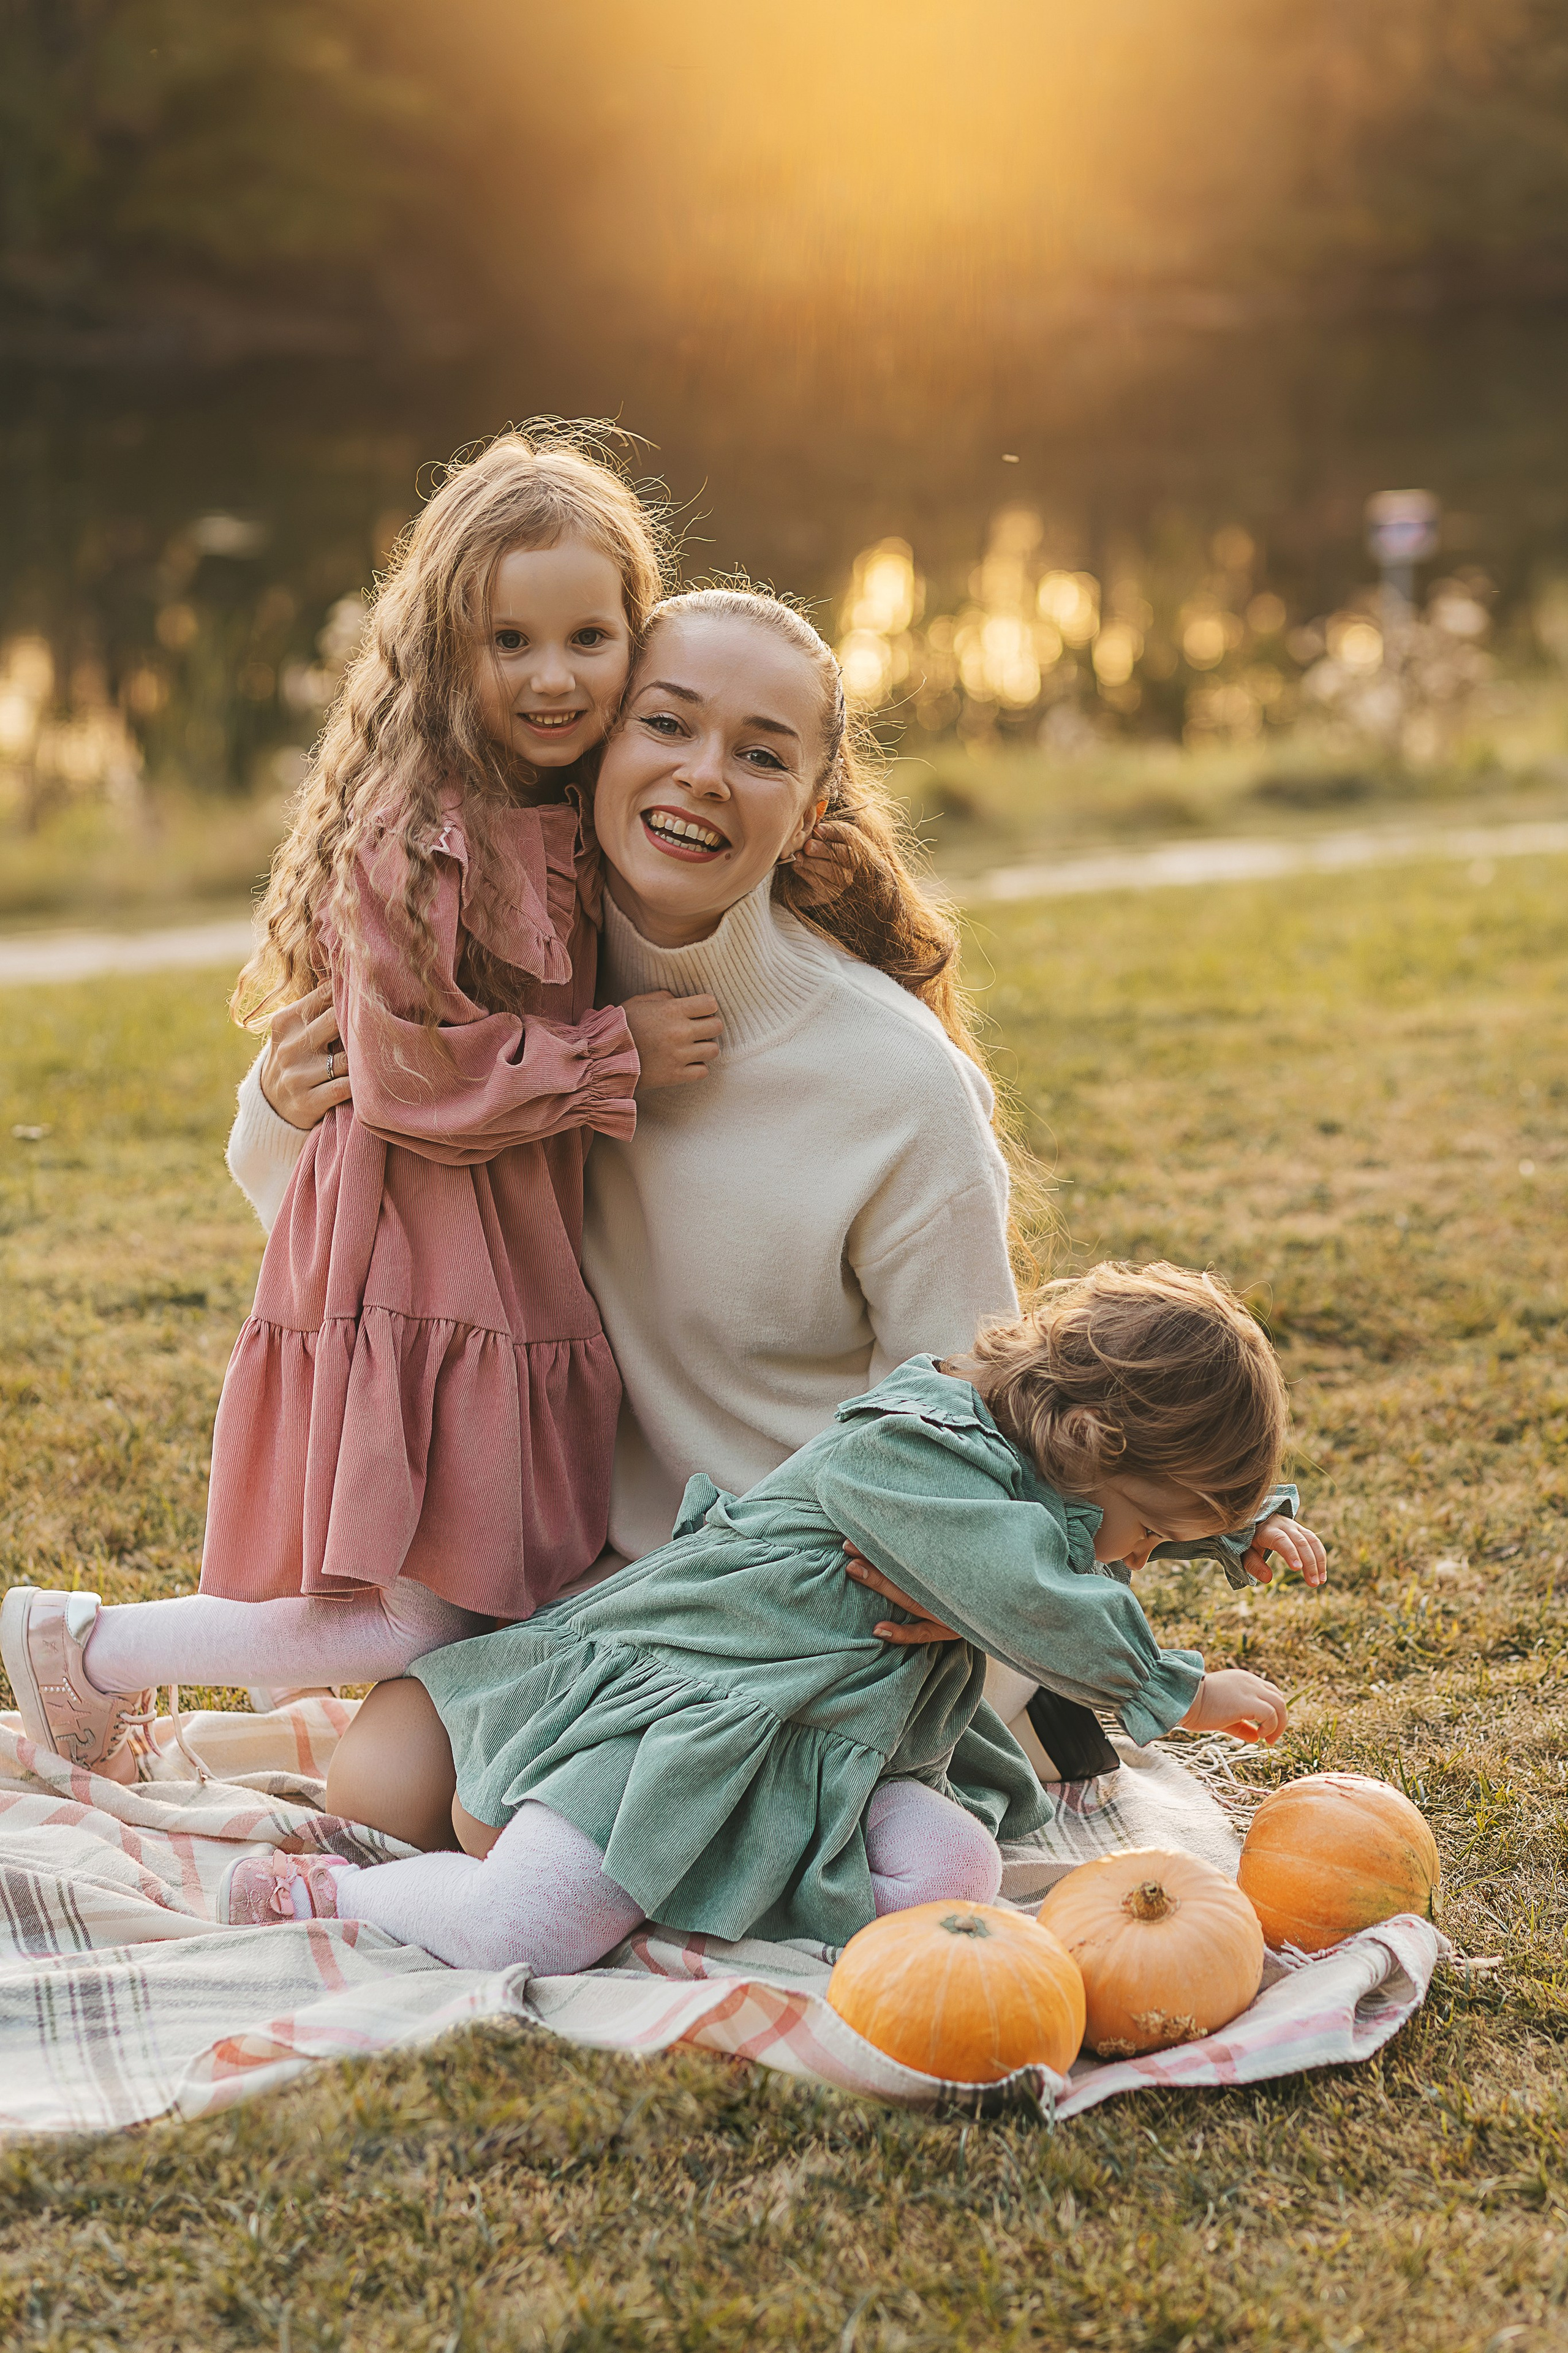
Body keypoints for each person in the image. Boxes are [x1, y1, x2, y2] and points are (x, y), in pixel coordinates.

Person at [0, 427, 728, 1777]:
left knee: (478, 1578)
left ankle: (361, 1728)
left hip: (495, 1238)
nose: (555, 675)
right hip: (416, 1243)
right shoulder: (419, 826)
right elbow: (403, 1075)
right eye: (509, 642)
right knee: (403, 1603)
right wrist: (606, 1052)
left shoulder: (555, 795)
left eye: (589, 637)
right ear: (444, 651)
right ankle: (86, 1650)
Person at [218, 1263, 1322, 1968]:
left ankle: (735, 1887)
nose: (1137, 1558)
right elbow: (1040, 1593)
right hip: (692, 1707)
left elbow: (1085, 1523)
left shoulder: (1034, 1457)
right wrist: (1178, 1688)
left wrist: (1234, 1525)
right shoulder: (924, 1457)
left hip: (831, 1738)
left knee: (956, 1873)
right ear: (1095, 1446)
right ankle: (341, 1894)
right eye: (1150, 1530)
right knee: (531, 1928)